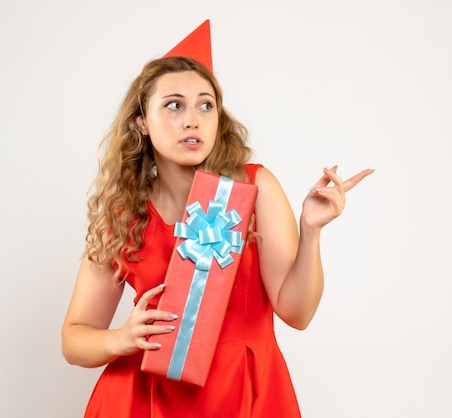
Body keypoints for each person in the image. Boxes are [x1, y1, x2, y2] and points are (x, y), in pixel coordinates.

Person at [61, 56, 373, 418]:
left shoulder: (253, 188)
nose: (192, 119)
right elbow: (74, 339)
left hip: (246, 391)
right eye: (173, 105)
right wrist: (122, 338)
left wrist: (311, 231)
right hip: (145, 399)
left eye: (205, 105)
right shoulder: (124, 216)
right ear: (142, 122)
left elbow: (297, 313)